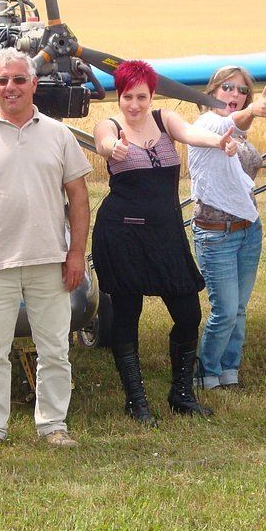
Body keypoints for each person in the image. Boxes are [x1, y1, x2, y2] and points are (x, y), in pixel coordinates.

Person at [0, 48, 92, 452]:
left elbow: (78, 197)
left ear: (34, 84)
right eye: (2, 81)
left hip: (49, 260)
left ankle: (53, 425)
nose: (10, 88)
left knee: (56, 349)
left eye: (19, 80)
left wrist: (76, 253)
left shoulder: (58, 135)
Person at [92, 60, 236, 425]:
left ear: (152, 95)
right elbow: (105, 144)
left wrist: (217, 142)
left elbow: (190, 133)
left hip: (166, 234)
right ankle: (136, 401)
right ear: (119, 96)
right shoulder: (108, 126)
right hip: (122, 233)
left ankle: (181, 394)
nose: (135, 105)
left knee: (189, 314)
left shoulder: (164, 118)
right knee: (127, 315)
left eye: (141, 96)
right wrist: (114, 150)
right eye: (128, 97)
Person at [187, 65, 266, 390]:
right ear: (211, 92)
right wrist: (252, 109)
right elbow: (228, 121)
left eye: (241, 91)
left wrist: (248, 115)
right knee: (223, 311)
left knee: (238, 309)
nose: (234, 95)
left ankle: (229, 370)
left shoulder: (238, 132)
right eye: (227, 88)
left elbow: (238, 124)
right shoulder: (206, 123)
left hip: (249, 229)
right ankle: (205, 372)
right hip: (215, 233)